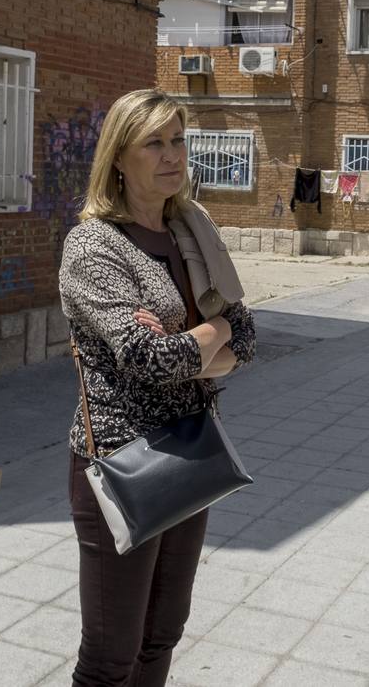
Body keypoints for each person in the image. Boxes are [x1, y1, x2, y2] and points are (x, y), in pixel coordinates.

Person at [58, 88, 256, 686]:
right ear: (119, 156)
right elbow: (147, 359)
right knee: (111, 655)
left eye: (178, 141)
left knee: (163, 632)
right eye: (154, 143)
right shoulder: (93, 246)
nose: (172, 156)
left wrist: (202, 338)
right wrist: (211, 336)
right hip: (122, 461)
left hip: (191, 448)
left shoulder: (191, 230)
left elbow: (245, 337)